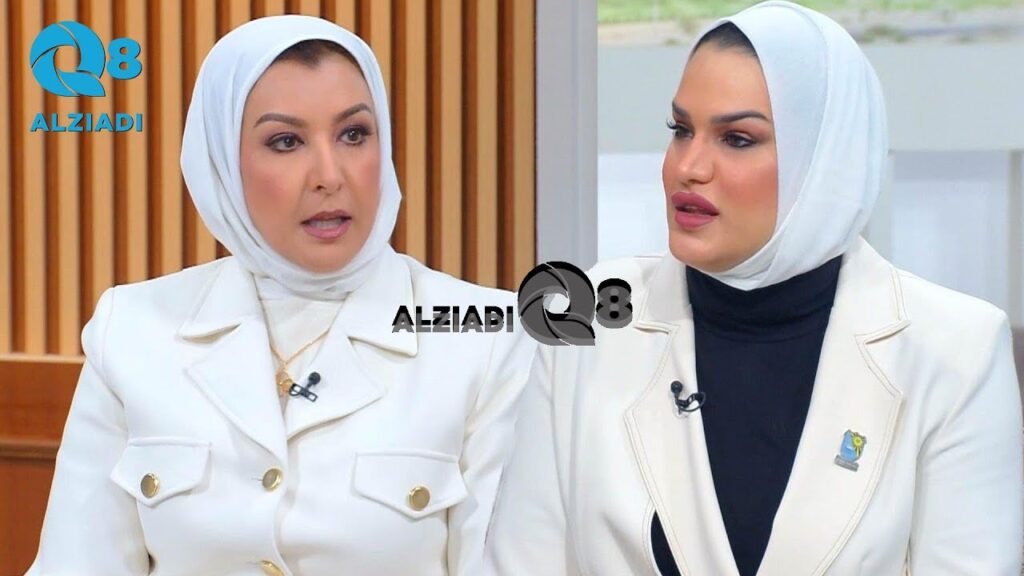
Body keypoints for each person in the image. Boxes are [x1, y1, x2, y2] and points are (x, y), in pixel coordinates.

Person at [485, 2, 1023, 575]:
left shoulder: (956, 351)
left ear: (825, 159)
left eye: (737, 139)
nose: (688, 167)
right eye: (681, 130)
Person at [27, 15, 533, 576]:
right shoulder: (133, 329)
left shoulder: (486, 334)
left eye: (353, 134)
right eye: (286, 142)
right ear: (223, 163)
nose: (329, 175)